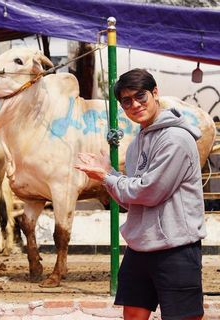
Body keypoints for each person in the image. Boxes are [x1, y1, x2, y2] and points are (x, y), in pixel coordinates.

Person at [74, 69, 205, 320]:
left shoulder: (175, 139)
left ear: (155, 93)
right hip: (140, 246)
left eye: (140, 96)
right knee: (132, 316)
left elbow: (149, 192)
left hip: (175, 247)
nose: (134, 105)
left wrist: (106, 177)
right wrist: (109, 172)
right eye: (126, 101)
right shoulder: (136, 143)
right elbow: (128, 200)